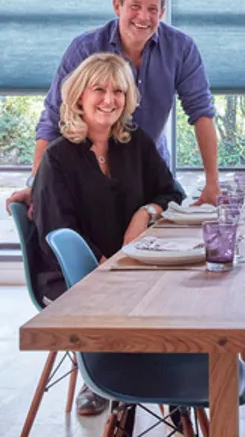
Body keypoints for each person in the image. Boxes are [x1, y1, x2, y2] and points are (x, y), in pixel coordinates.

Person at [32, 52, 185, 415]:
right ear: (79, 97)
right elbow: (58, 232)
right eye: (99, 89)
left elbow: (172, 192)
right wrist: (108, 266)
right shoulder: (57, 158)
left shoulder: (135, 144)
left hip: (133, 267)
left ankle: (177, 379)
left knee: (191, 290)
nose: (109, 99)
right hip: (74, 277)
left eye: (118, 90)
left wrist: (145, 211)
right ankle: (112, 378)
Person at [6, 0, 220, 212]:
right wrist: (37, 184)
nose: (144, 16)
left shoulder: (180, 48)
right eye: (135, 6)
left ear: (161, 13)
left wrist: (212, 183)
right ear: (117, 6)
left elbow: (201, 112)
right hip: (90, 176)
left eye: (152, 9)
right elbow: (53, 118)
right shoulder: (85, 48)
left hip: (149, 175)